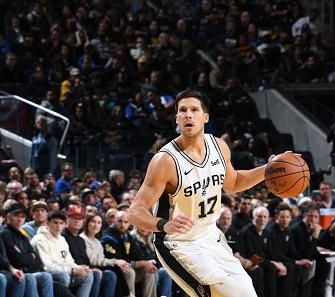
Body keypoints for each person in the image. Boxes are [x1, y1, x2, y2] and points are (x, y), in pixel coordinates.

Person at [128, 90, 291, 297]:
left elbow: (233, 183)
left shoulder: (219, 147)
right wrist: (163, 224)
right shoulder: (165, 161)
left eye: (194, 110)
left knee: (247, 293)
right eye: (182, 111)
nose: (188, 114)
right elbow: (134, 212)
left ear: (205, 117)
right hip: (178, 244)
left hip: (210, 236)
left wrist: (267, 170)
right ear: (177, 118)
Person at [80, 213, 132, 297]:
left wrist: (115, 262)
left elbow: (101, 259)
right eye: (93, 222)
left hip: (97, 268)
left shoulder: (97, 241)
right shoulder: (82, 239)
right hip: (87, 268)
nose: (96, 225)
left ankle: (127, 293)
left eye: (99, 223)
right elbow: (93, 261)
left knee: (114, 272)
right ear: (87, 223)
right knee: (112, 271)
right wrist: (114, 261)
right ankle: (127, 294)